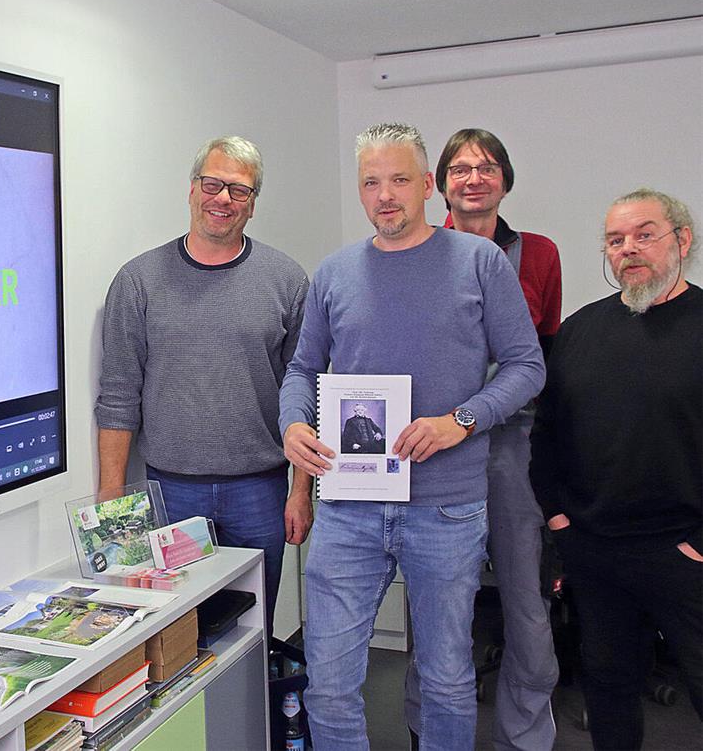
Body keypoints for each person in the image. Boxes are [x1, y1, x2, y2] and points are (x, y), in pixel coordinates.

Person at [280, 122, 544, 750]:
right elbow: (301, 370)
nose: (385, 195)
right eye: (371, 182)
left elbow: (527, 366)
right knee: (329, 685)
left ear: (428, 185)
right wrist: (292, 424)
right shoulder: (334, 272)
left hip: (446, 507)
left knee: (447, 680)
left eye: (399, 179)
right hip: (349, 506)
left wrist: (461, 421)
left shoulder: (479, 262)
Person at [95, 135, 312, 633]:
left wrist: (302, 491)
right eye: (212, 184)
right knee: (177, 632)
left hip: (260, 492)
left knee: (253, 630)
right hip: (171, 495)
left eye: (239, 190)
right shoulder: (138, 281)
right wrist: (112, 498)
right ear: (192, 189)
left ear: (253, 204)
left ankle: (257, 687)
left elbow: (304, 393)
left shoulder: (287, 280)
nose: (223, 199)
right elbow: (119, 395)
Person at [405, 129, 560, 750]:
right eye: (461, 168)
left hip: (511, 445)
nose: (474, 178)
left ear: (505, 181)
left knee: (525, 601)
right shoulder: (417, 250)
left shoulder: (539, 254)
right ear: (440, 184)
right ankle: (429, 731)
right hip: (435, 446)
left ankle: (525, 735)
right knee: (437, 601)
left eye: (488, 167)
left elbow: (542, 353)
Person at [530, 188, 702, 750]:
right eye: (615, 239)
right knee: (608, 686)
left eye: (644, 234)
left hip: (685, 552)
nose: (628, 248)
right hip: (596, 550)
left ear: (683, 240)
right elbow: (547, 435)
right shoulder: (580, 330)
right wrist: (558, 517)